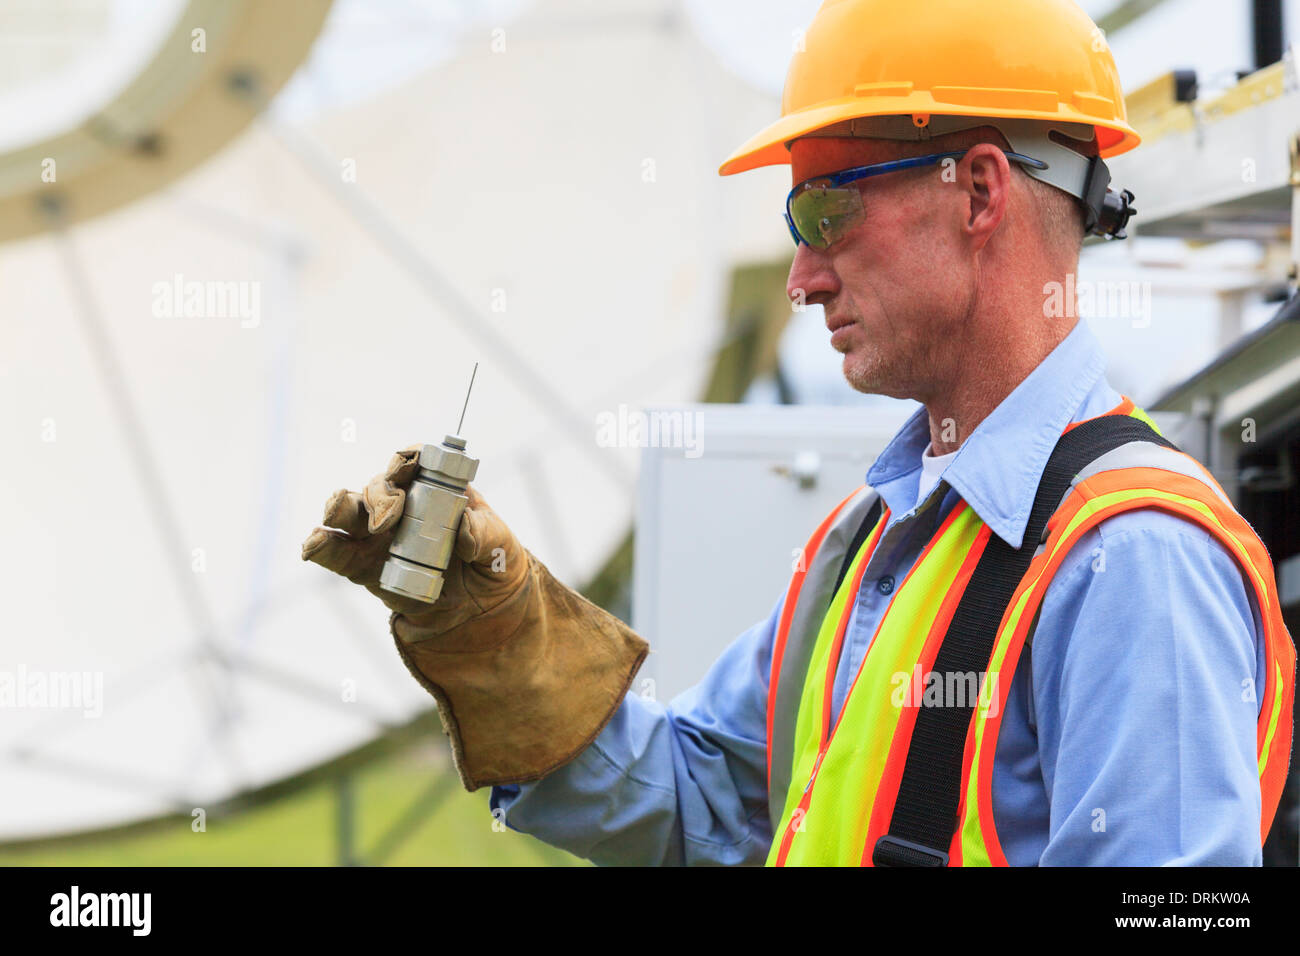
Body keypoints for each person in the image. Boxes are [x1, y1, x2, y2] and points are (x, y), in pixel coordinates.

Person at [302, 0, 1294, 865]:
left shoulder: (1133, 557)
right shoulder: (868, 541)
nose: (801, 275)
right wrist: (505, 641)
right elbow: (705, 804)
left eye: (824, 210)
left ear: (981, 190)